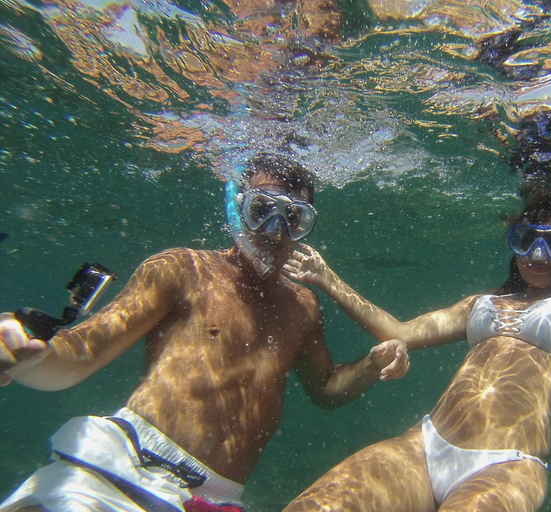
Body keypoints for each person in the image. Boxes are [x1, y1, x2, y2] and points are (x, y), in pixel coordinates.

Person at [0, 153, 409, 512]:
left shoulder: (303, 305)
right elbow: (79, 353)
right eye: (261, 208)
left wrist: (372, 364)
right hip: (124, 467)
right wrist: (31, 356)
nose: (274, 230)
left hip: (217, 500)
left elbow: (326, 389)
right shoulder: (181, 269)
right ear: (235, 208)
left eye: (294, 218)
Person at [281, 185, 551, 512]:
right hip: (424, 446)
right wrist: (328, 280)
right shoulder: (482, 303)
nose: (538, 254)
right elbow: (399, 330)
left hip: (507, 467)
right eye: (526, 239)